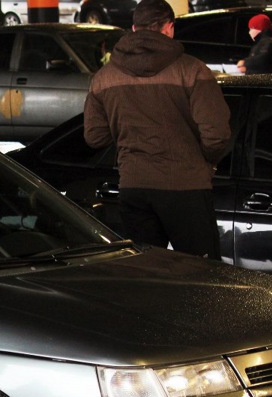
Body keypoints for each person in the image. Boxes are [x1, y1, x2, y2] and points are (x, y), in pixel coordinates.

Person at [83, 0, 231, 259]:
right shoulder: (193, 70)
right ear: (169, 27)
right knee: (201, 272)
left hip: (134, 186)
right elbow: (216, 134)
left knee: (148, 272)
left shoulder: (104, 77)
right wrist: (205, 162)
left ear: (133, 28)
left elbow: (94, 137)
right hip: (186, 187)